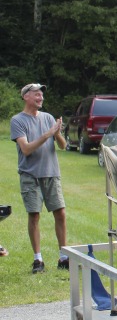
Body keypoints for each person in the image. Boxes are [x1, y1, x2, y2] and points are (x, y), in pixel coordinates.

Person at [11, 83, 69, 274]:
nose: (40, 97)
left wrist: (58, 133)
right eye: (37, 94)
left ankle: (64, 257)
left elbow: (62, 146)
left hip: (52, 173)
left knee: (60, 214)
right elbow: (26, 149)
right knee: (34, 215)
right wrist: (48, 134)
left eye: (42, 95)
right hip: (30, 175)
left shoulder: (48, 118)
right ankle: (38, 260)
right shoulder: (17, 120)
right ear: (26, 97)